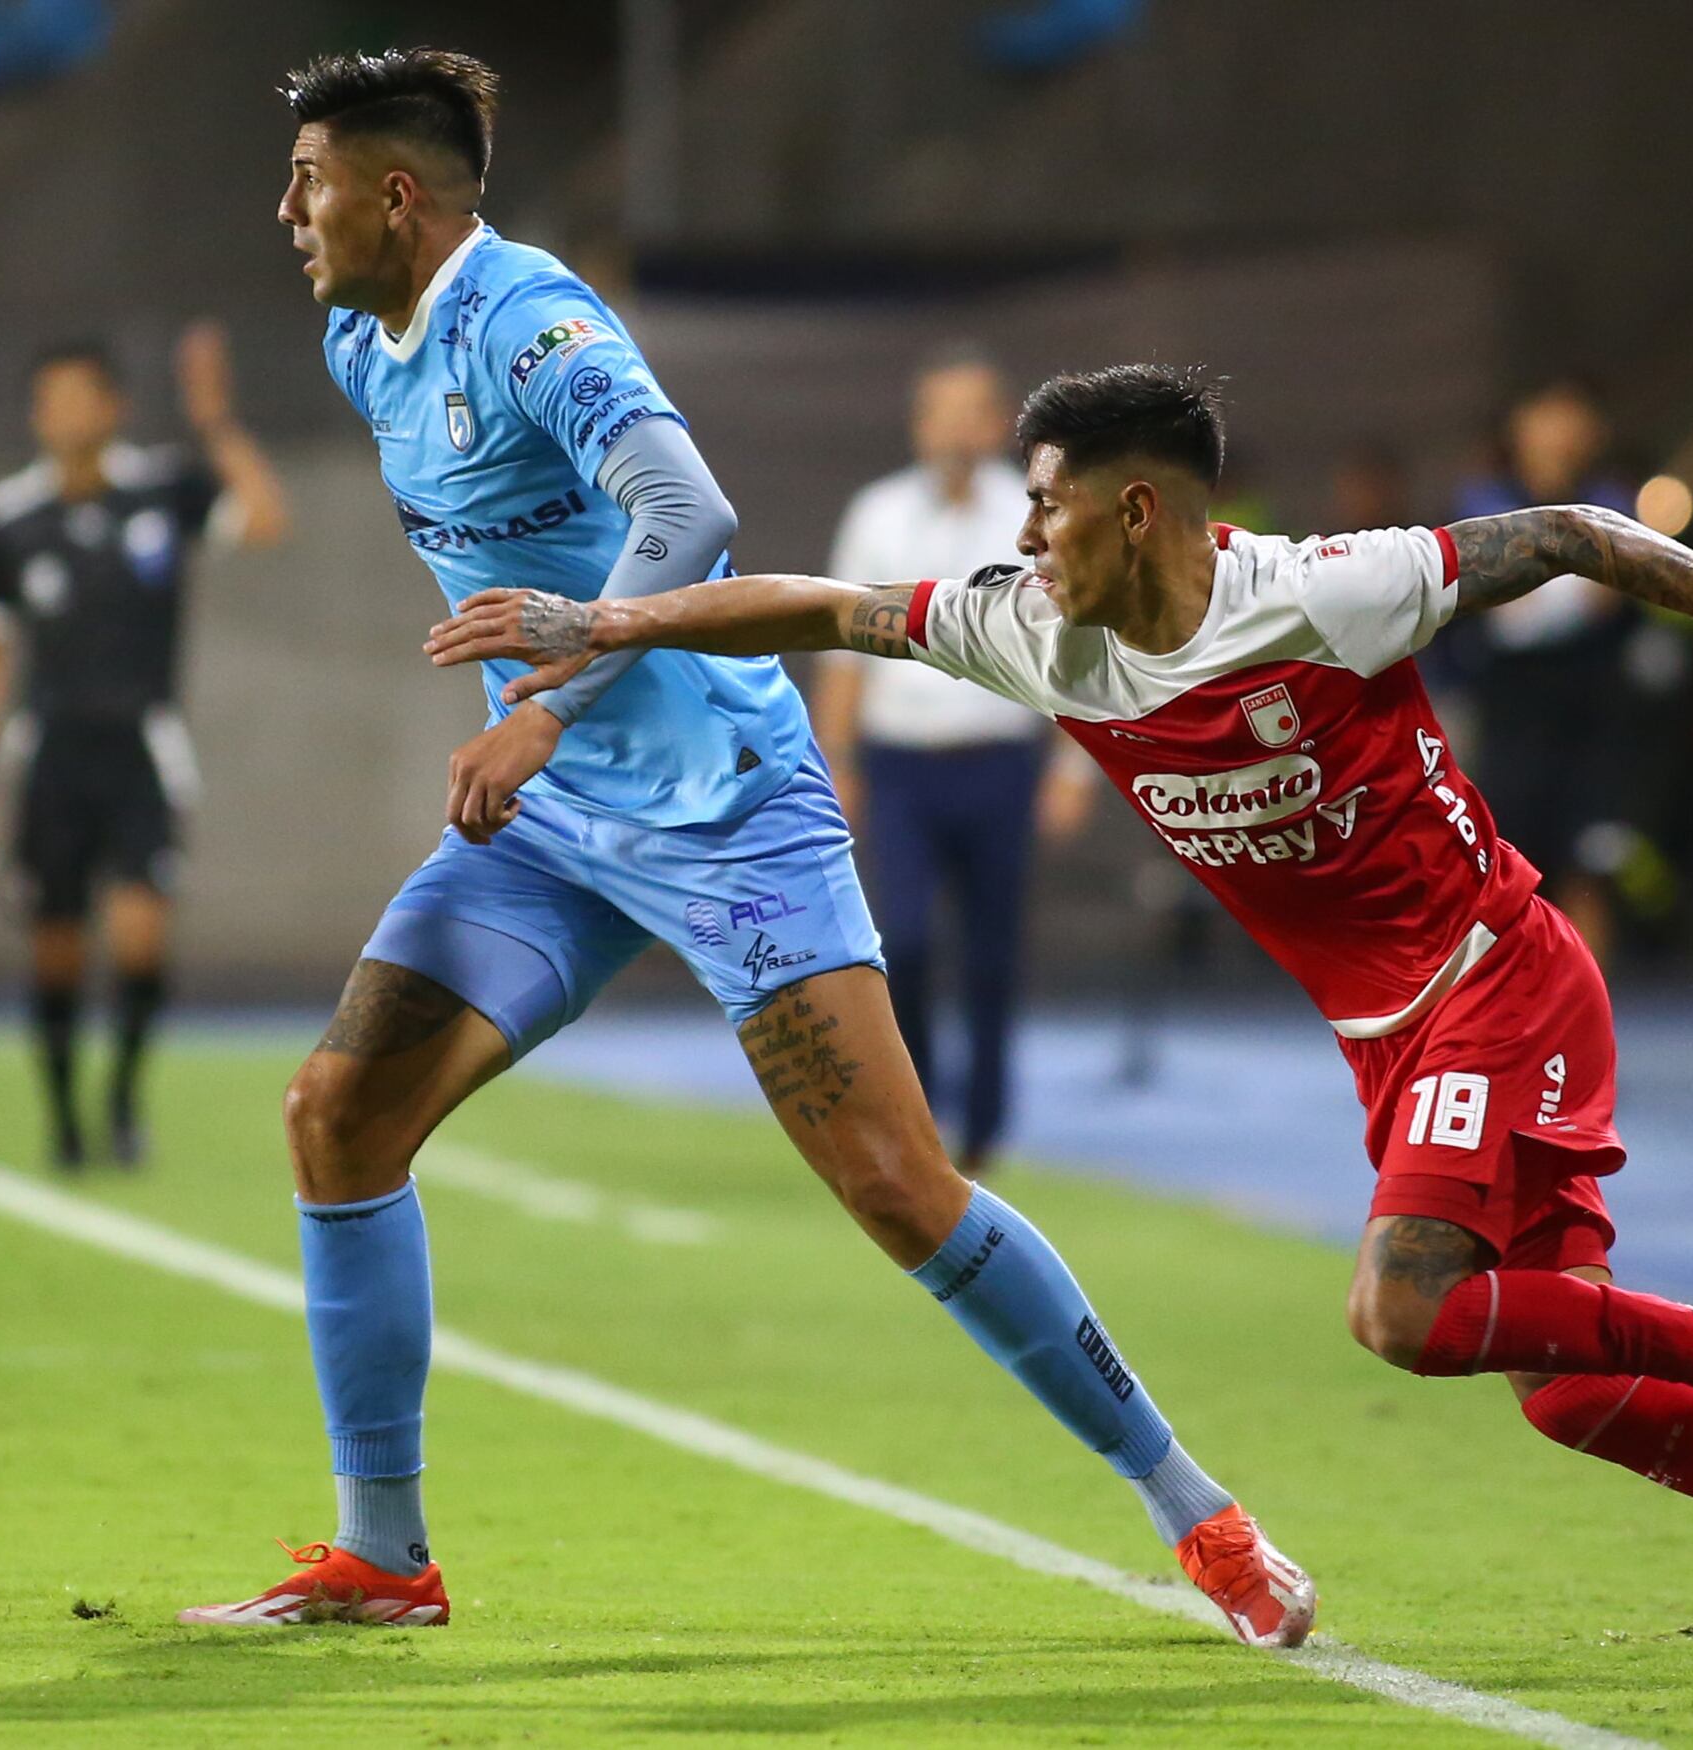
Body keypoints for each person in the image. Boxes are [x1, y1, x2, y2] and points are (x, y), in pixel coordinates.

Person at [428, 363, 1693, 1682]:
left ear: (1137, 509)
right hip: (1389, 1038)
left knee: (1404, 1310)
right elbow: (829, 608)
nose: (1025, 531)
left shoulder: (1324, 591)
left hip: (1497, 976)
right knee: (1569, 1391)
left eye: (1047, 503)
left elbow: (1569, 533)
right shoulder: (1036, 628)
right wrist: (608, 627)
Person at [180, 52, 1313, 1644]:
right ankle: (384, 1555)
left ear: (396, 194)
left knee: (898, 1187)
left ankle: (1200, 1511)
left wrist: (545, 709)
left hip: (722, 807)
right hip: (553, 829)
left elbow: (689, 517)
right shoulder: (364, 344)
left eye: (307, 180)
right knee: (337, 1114)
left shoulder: (535, 323)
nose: (284, 210)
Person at [0, 328, 289, 1169]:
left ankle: (125, 1100)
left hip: (141, 749)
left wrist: (215, 423)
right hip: (50, 754)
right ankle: (64, 1115)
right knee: (57, 949)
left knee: (140, 938)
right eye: (50, 400)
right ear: (35, 414)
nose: (64, 413)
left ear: (114, 406)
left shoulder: (162, 489)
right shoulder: (6, 520)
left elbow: (266, 519)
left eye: (80, 396)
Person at [816, 348, 1090, 1173]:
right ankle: (920, 1113)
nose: (956, 430)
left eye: (973, 412)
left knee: (993, 950)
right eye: (942, 412)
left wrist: (1072, 770)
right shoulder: (878, 515)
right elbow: (841, 647)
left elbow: (1079, 643)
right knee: (902, 937)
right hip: (902, 764)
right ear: (919, 424)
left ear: (999, 423)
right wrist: (836, 766)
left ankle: (986, 1126)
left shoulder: (1034, 515)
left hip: (1000, 761)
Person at [1449, 381, 1639, 957]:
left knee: (1590, 872)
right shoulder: (1481, 504)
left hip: (1593, 718)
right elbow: (1502, 615)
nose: (1562, 432)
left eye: (1574, 418)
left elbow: (1608, 598)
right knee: (1508, 876)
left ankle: (1592, 1005)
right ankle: (1515, 1003)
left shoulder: (1613, 504)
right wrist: (1574, 582)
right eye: (1549, 417)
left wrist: (1534, 591)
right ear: (1520, 428)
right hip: (1512, 719)